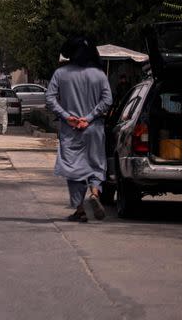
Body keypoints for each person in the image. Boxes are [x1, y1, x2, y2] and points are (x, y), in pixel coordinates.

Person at [46, 36, 113, 223]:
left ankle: (80, 209)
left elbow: (50, 98)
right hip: (94, 128)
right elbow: (107, 101)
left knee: (74, 169)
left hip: (71, 130)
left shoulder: (61, 73)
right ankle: (94, 194)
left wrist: (67, 117)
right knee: (96, 164)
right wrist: (90, 118)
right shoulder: (99, 74)